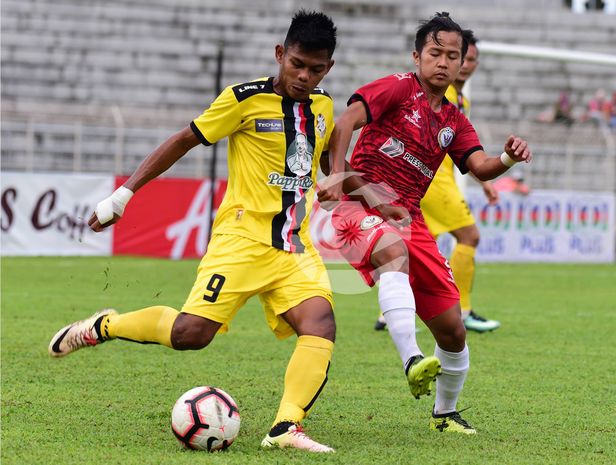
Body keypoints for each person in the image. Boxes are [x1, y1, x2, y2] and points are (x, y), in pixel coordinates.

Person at [48, 10, 344, 453]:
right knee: (191, 335)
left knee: (320, 324)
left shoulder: (322, 105)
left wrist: (341, 182)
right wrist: (124, 195)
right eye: (296, 63)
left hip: (293, 246)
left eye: (315, 69)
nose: (303, 76)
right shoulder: (243, 99)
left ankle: (286, 427)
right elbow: (183, 140)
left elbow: (319, 156)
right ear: (280, 54)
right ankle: (104, 325)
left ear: (328, 68)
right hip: (241, 241)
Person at [321, 13, 531, 434]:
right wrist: (336, 177)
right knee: (392, 253)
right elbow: (344, 123)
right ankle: (413, 360)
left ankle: (445, 413)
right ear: (417, 56)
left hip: (406, 216)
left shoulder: (454, 120)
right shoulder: (398, 87)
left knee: (453, 331)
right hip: (358, 205)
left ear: (461, 64)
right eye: (435, 53)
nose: (444, 62)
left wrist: (508, 157)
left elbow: (481, 167)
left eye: (453, 56)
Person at [375, 32, 501, 334]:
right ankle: (465, 310)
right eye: (466, 59)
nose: (469, 66)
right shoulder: (437, 95)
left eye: (472, 60)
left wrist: (482, 182)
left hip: (435, 180)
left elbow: (460, 148)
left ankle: (386, 313)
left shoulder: (460, 100)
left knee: (408, 248)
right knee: (469, 236)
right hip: (433, 182)